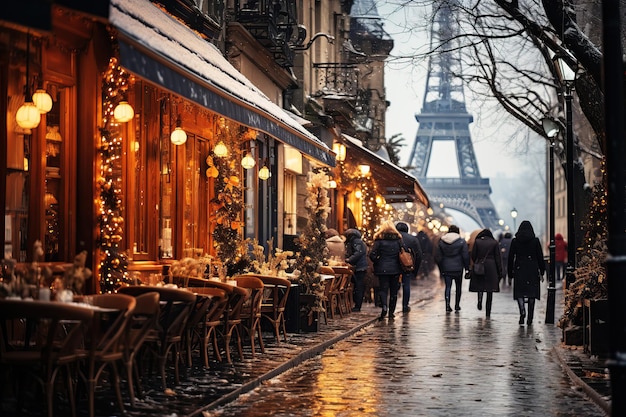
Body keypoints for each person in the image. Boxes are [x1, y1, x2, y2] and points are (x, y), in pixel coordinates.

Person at [508, 220, 546, 325]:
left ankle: (522, 311)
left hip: (519, 268)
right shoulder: (535, 241)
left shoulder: (515, 241)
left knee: (519, 292)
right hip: (532, 269)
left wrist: (510, 274)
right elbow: (540, 257)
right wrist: (542, 271)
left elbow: (510, 258)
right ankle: (530, 318)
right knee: (531, 293)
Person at [368, 220, 403, 320]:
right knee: (394, 291)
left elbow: (372, 254)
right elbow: (403, 251)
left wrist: (378, 260)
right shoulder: (398, 240)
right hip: (395, 269)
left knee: (383, 289)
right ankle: (391, 312)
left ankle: (384, 306)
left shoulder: (379, 240)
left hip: (382, 268)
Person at [434, 225, 469, 312]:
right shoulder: (461, 241)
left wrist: (440, 266)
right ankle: (457, 305)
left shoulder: (442, 241)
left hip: (446, 267)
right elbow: (465, 256)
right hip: (458, 267)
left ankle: (447, 305)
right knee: (458, 287)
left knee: (448, 287)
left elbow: (438, 255)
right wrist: (467, 268)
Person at [469, 229, 503, 317]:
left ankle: (479, 300)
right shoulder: (494, 242)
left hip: (480, 265)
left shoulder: (477, 241)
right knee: (489, 289)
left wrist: (478, 261)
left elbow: (473, 255)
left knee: (480, 285)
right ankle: (488, 311)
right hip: (491, 268)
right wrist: (500, 271)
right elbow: (498, 258)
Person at [395, 222, 423, 313]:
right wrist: (415, 270)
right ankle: (405, 305)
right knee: (406, 285)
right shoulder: (413, 239)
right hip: (407, 265)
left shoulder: (394, 238)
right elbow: (419, 255)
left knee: (394, 286)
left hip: (394, 265)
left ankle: (391, 307)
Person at [343, 228, 368, 312]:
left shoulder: (356, 242)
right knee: (358, 286)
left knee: (358, 286)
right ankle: (356, 304)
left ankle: (357, 306)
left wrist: (349, 259)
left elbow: (358, 253)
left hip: (359, 267)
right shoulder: (356, 242)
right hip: (359, 267)